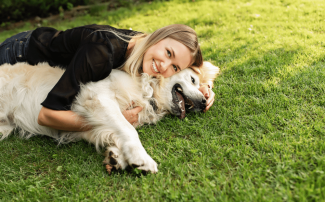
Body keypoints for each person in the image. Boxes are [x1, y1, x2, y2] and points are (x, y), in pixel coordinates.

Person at [0, 24, 215, 132]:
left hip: (48, 40)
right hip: (17, 53)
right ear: (158, 38)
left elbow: (199, 65)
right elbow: (47, 116)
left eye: (174, 66)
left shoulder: (146, 46)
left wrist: (204, 88)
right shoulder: (101, 53)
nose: (164, 66)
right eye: (168, 54)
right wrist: (114, 120)